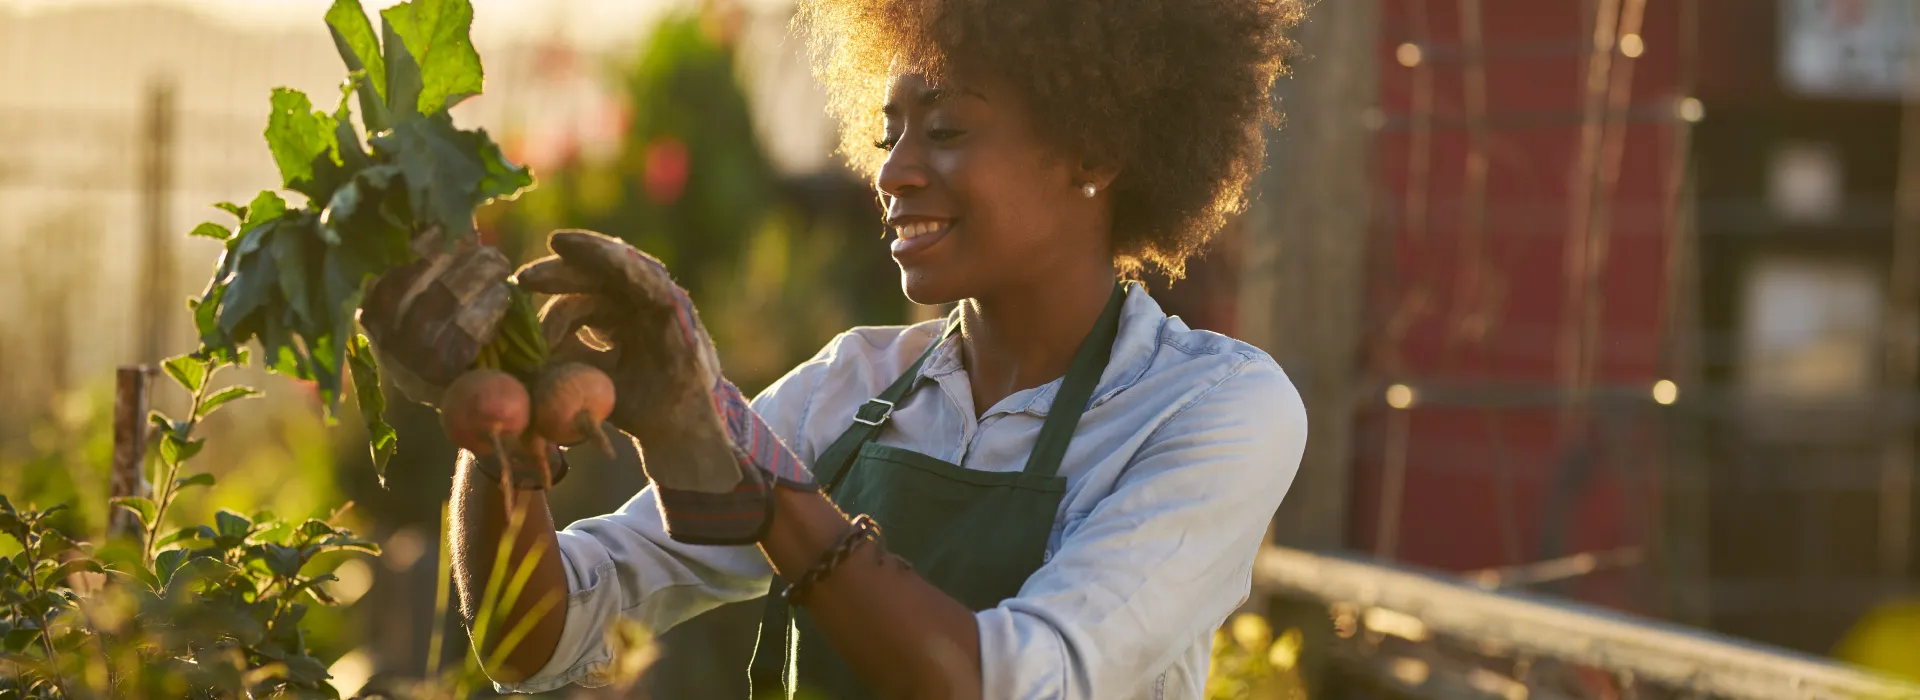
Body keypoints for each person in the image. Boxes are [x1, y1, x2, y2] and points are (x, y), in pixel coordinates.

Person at [364, 0, 1306, 696]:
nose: (893, 171)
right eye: (889, 132)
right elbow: (533, 639)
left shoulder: (1210, 410)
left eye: (946, 129)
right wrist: (502, 426)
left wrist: (750, 470)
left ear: (1094, 150)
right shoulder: (854, 387)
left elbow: (1009, 682)